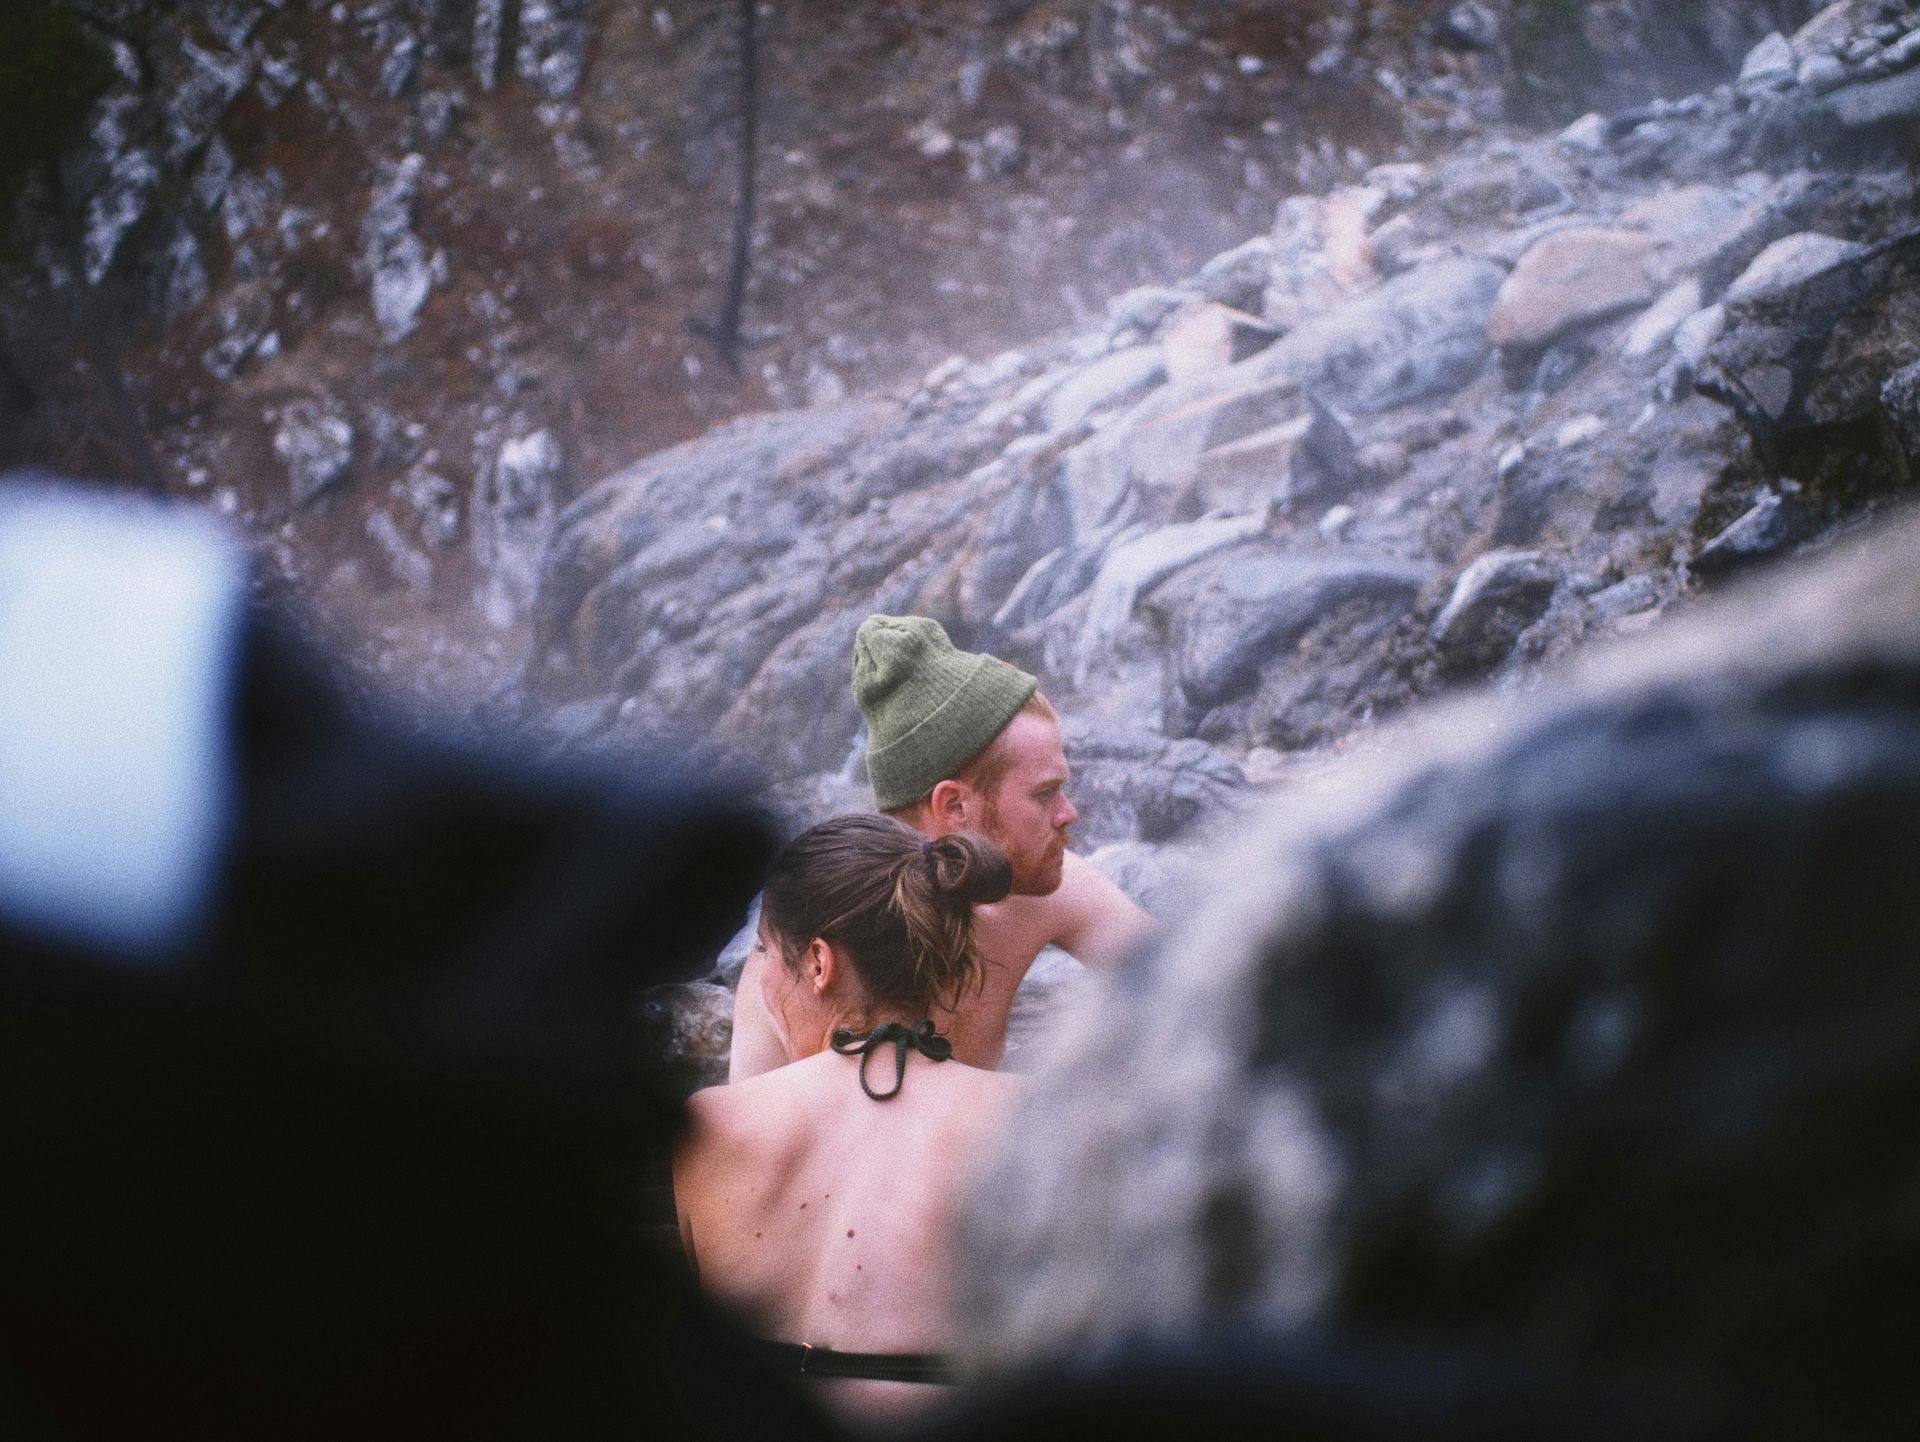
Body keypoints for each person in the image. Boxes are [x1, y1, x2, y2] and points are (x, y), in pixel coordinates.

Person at [675, 814, 1023, 1422]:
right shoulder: (1024, 1117)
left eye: (764, 954)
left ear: (817, 963)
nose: (762, 981)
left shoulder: (711, 1123)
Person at [730, 615, 1154, 1078]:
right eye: (1044, 793)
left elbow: (1195, 983)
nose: (1069, 813)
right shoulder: (803, 944)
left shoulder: (1045, 889)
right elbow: (746, 1136)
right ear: (953, 806)